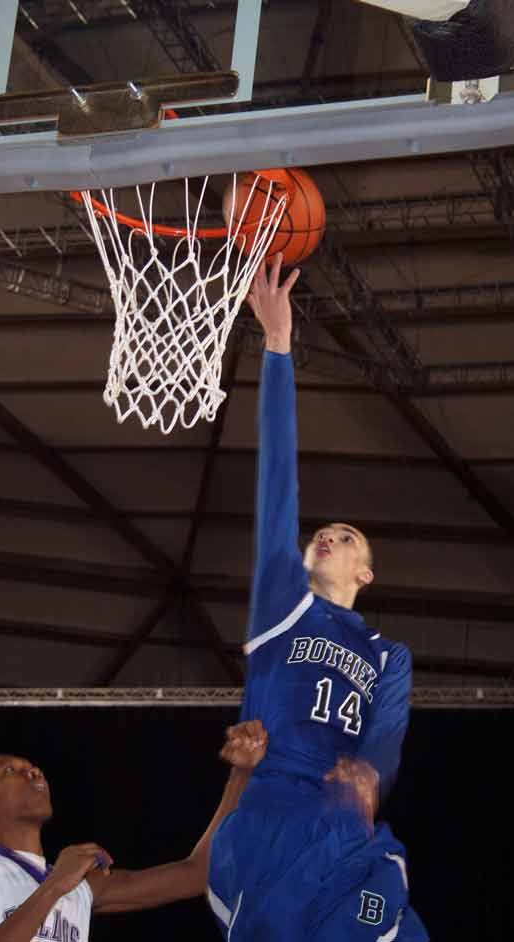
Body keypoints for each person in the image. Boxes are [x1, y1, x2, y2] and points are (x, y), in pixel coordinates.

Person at [207, 254, 428, 941]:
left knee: (397, 914)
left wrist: (369, 776)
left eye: (347, 534)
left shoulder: (389, 655)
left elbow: (385, 741)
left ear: (366, 572)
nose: (328, 534)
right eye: (322, 533)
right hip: (270, 824)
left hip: (346, 826)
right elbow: (278, 480)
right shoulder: (284, 607)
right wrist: (278, 345)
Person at [0, 720, 267, 942]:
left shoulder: (81, 885)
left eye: (33, 768)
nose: (33, 772)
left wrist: (241, 775)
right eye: (10, 771)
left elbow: (196, 873)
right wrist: (55, 885)